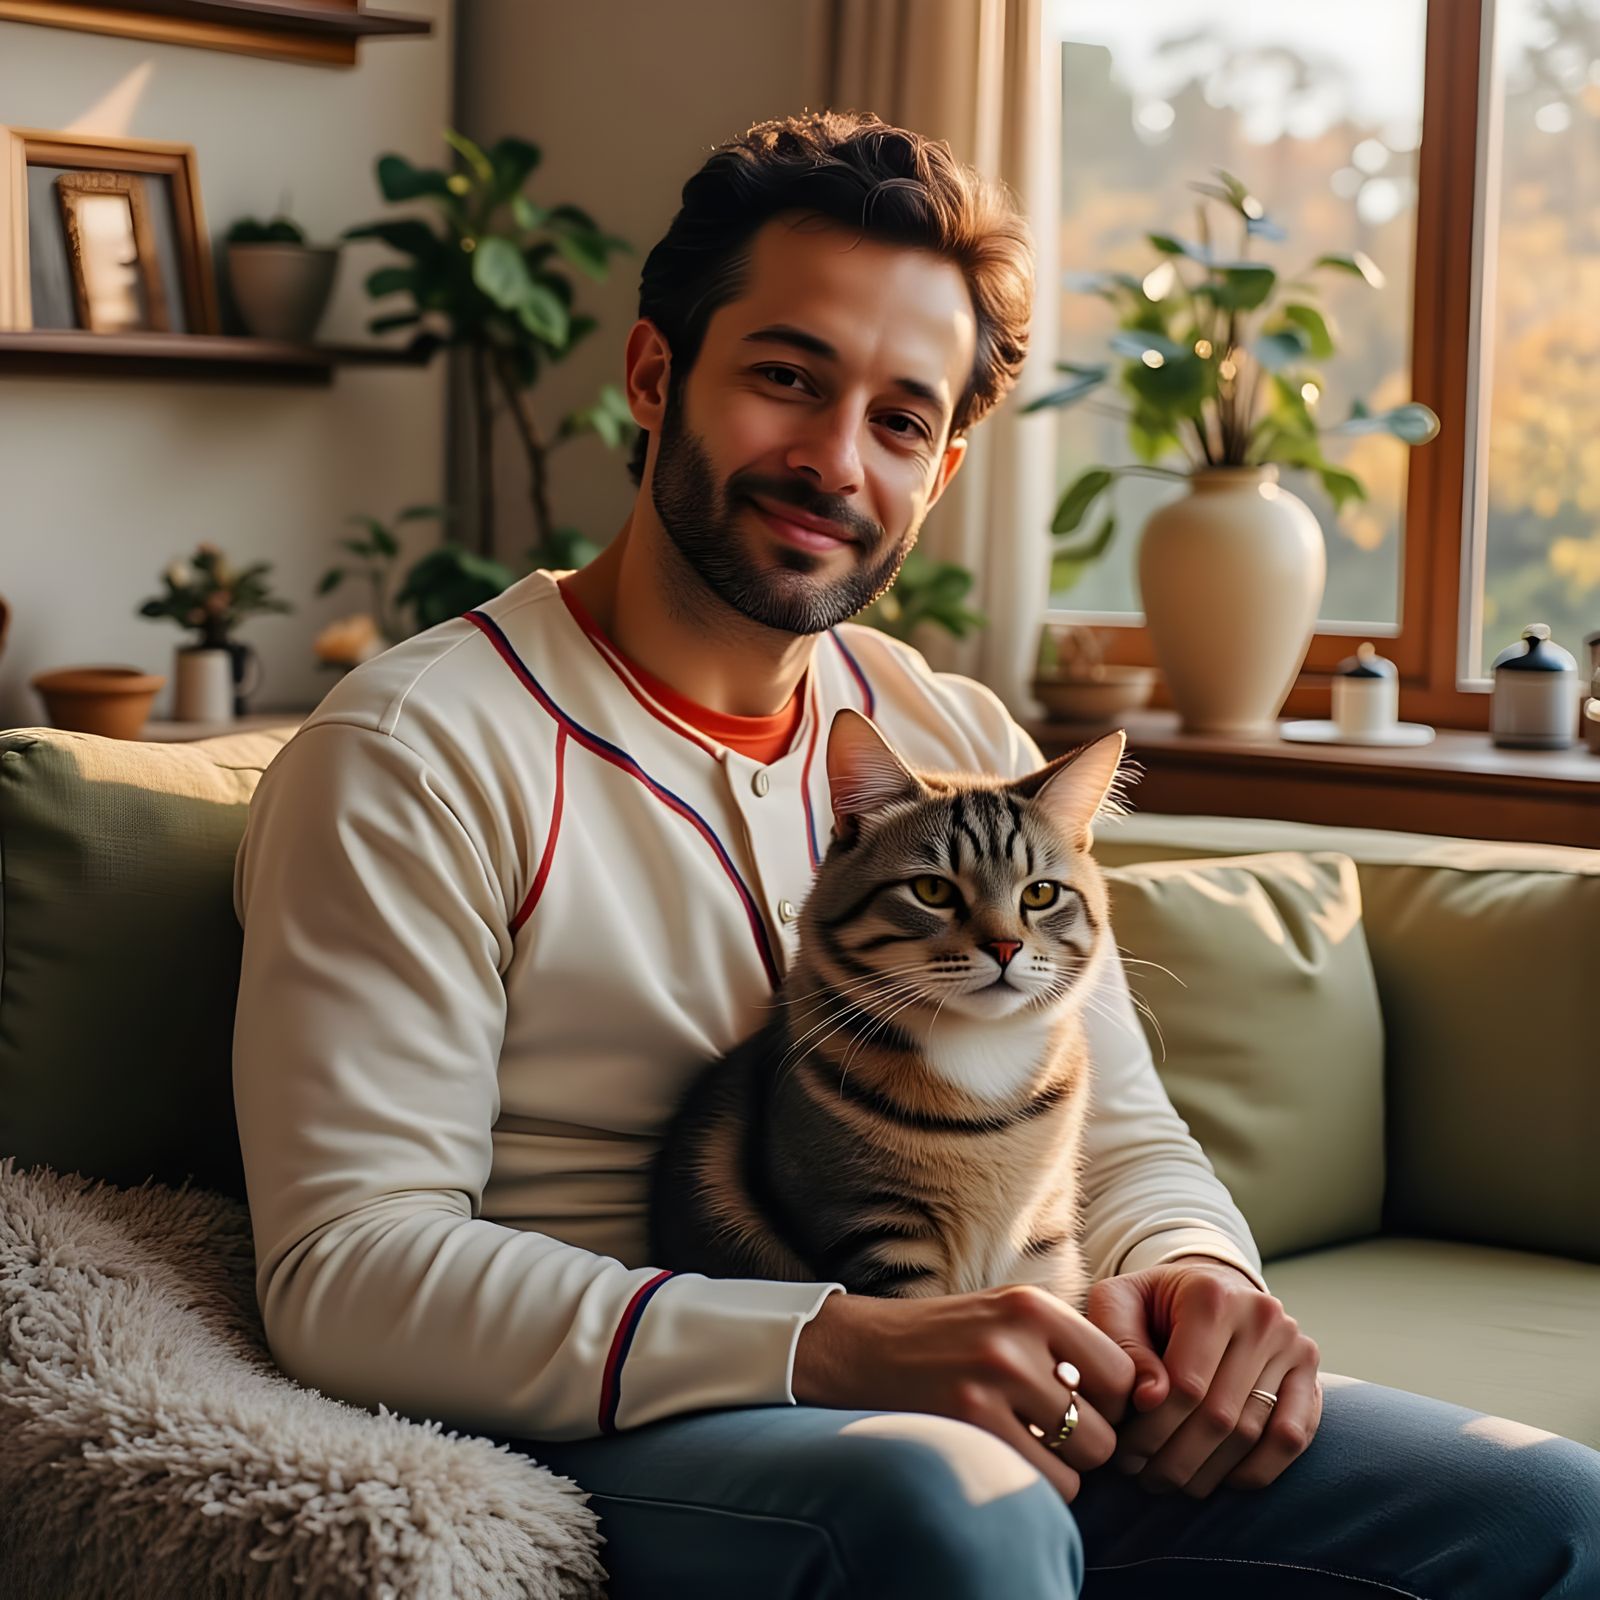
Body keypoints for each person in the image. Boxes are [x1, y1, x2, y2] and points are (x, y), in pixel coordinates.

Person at [232, 110, 1600, 1598]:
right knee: (967, 1516)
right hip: (633, 1420)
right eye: (786, 377)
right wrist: (842, 1343)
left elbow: (1119, 1129)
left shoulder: (950, 730)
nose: (834, 459)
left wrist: (1201, 1276)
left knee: (1551, 1514)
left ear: (940, 471)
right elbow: (347, 1271)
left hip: (990, 1372)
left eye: (898, 420)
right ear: (653, 374)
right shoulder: (415, 751)